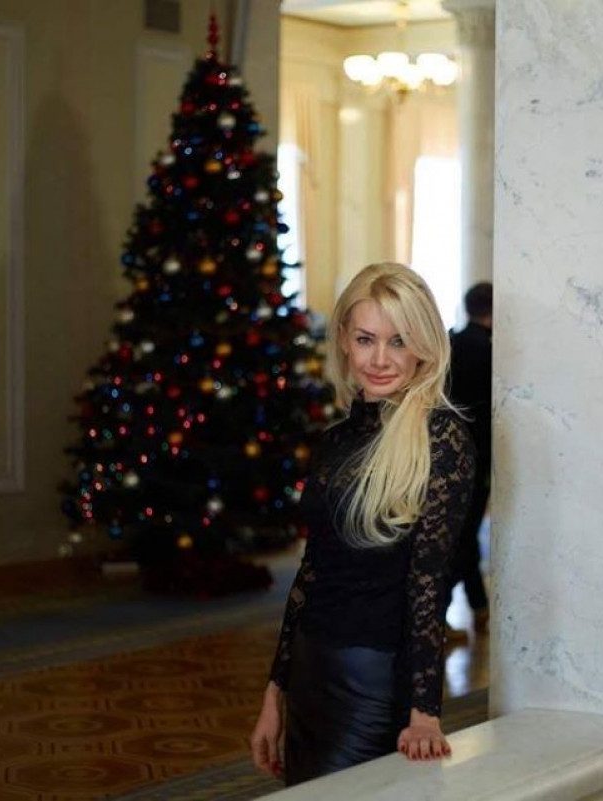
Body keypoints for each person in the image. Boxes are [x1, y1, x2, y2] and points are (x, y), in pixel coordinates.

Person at [250, 263, 476, 785]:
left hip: (372, 679)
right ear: (344, 343)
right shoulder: (336, 440)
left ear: (424, 347)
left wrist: (425, 710)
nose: (379, 359)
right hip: (310, 668)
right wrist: (274, 692)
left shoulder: (440, 438)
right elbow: (312, 573)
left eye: (399, 341)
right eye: (366, 339)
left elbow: (428, 582)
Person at [442, 282, 492, 639]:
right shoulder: (490, 352)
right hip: (477, 458)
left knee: (460, 535)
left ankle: (478, 604)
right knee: (462, 538)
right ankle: (438, 614)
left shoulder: (450, 344)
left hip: (446, 454)